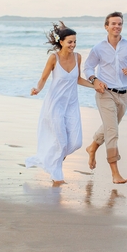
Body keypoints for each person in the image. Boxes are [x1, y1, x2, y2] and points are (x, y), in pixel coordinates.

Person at [26, 22, 95, 185]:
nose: (73, 45)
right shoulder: (53, 58)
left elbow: (77, 79)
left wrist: (95, 86)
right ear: (61, 42)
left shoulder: (78, 57)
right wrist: (37, 89)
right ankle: (57, 178)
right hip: (55, 104)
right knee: (61, 142)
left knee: (76, 142)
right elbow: (43, 79)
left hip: (71, 104)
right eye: (70, 42)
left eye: (75, 42)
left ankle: (48, 159)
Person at [83, 12, 127, 184]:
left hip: (124, 95)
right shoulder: (98, 48)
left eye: (120, 24)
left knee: (110, 127)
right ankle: (115, 173)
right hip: (105, 93)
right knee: (113, 132)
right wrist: (95, 80)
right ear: (106, 26)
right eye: (113, 24)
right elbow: (88, 67)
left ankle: (92, 147)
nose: (117, 26)